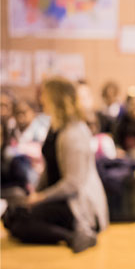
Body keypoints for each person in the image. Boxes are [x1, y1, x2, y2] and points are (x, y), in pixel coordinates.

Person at [2, 78, 109, 253]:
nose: (40, 98)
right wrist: (35, 194)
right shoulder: (55, 126)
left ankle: (74, 236)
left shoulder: (74, 132)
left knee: (22, 221)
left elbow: (72, 184)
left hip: (77, 206)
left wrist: (41, 198)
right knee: (11, 215)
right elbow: (50, 169)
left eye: (44, 94)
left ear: (56, 98)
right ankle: (69, 234)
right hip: (59, 198)